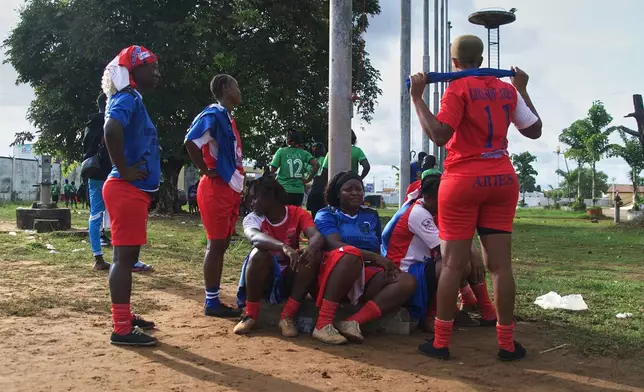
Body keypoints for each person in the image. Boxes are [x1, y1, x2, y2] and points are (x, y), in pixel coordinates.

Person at [409, 34, 542, 361]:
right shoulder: (506, 88)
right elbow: (535, 129)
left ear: (454, 63)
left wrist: (417, 97)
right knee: (500, 267)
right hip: (501, 179)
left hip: (463, 180)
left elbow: (440, 135)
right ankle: (507, 344)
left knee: (453, 264)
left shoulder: (457, 88)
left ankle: (440, 342)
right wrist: (523, 87)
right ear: (481, 60)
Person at [101, 44, 161, 346]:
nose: (157, 74)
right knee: (123, 260)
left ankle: (124, 315)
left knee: (126, 257)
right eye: (153, 67)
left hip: (132, 190)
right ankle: (121, 328)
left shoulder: (133, 99)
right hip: (126, 188)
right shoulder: (126, 98)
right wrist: (123, 169)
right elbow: (111, 129)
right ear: (134, 70)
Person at [312, 171, 416, 344]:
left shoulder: (371, 215)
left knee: (406, 281)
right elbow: (334, 244)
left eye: (359, 189)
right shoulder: (326, 214)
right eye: (349, 189)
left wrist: (379, 262)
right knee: (350, 255)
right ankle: (323, 323)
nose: (355, 193)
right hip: (336, 271)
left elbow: (377, 245)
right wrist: (375, 257)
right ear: (337, 193)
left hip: (366, 271)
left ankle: (353, 322)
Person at [381, 175, 496, 330]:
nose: (446, 202)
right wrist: (472, 256)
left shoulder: (433, 208)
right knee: (454, 264)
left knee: (460, 262)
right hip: (405, 269)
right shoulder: (418, 213)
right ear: (427, 197)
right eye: (442, 198)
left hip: (422, 264)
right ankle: (433, 315)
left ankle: (483, 310)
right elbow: (447, 248)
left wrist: (474, 255)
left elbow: (457, 236)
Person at [184, 74, 245, 318]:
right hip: (216, 187)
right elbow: (191, 141)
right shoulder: (214, 113)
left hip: (230, 186)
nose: (240, 91)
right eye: (236, 86)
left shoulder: (228, 118)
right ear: (224, 88)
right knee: (216, 243)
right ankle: (211, 301)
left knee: (223, 243)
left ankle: (215, 297)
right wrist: (205, 169)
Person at [235, 176, 324, 336]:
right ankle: (250, 314)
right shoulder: (253, 218)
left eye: (255, 197)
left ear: (270, 196)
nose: (251, 202)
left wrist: (311, 248)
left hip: (290, 275)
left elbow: (316, 235)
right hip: (265, 277)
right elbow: (254, 237)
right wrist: (283, 247)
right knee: (259, 253)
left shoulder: (297, 213)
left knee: (312, 256)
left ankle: (287, 316)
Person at [83, 92, 152, 272]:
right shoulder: (112, 122)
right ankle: (127, 259)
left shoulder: (89, 126)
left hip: (94, 174)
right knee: (122, 216)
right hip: (114, 174)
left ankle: (98, 256)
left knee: (96, 215)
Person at [270, 128, 319, 206]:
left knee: (283, 215)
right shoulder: (304, 153)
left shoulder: (281, 151)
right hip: (298, 191)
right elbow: (316, 165)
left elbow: (272, 169)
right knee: (295, 215)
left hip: (283, 190)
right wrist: (308, 179)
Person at [306, 142, 327, 218]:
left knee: (314, 214)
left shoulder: (310, 162)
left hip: (312, 189)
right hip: (322, 188)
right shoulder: (325, 160)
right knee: (323, 212)